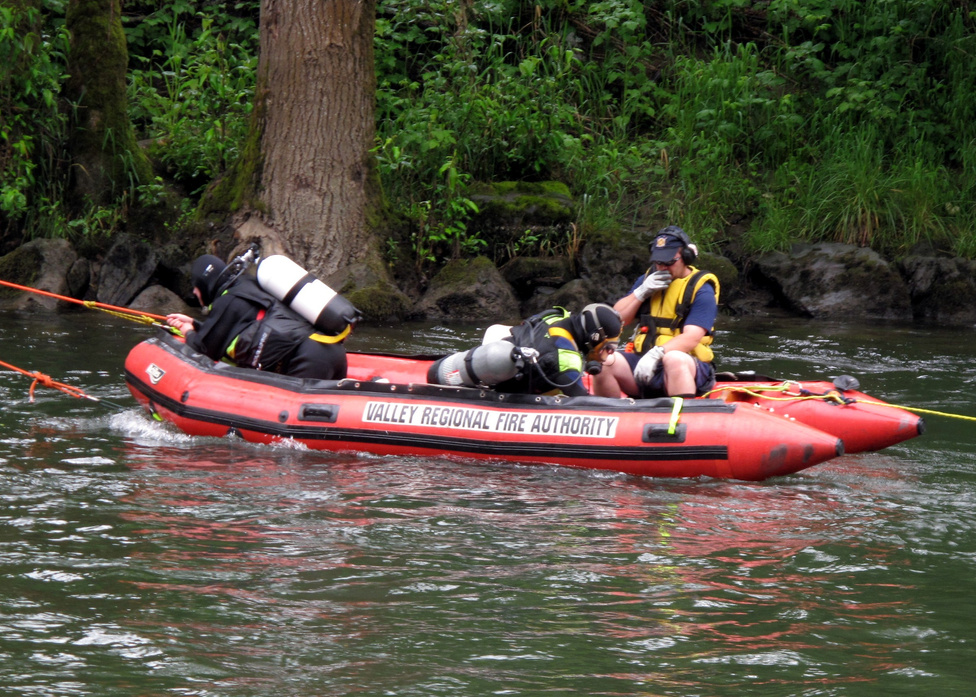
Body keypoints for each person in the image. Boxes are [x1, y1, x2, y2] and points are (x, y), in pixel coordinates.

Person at [166, 254, 350, 380]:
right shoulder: (248, 285)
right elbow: (228, 331)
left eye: (195, 285)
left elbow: (201, 350)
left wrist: (188, 332)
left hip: (307, 361)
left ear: (204, 284)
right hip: (332, 352)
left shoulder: (228, 301)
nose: (194, 291)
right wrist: (196, 325)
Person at [592, 226, 720, 399]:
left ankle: (684, 416)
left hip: (686, 366)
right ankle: (614, 416)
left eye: (669, 262)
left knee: (674, 358)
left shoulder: (702, 289)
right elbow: (617, 319)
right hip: (644, 364)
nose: (662, 268)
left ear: (685, 257)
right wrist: (641, 292)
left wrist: (656, 353)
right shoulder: (647, 280)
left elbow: (692, 338)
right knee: (604, 361)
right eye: (658, 262)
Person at [428, 303, 622, 397]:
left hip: (505, 355)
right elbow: (583, 403)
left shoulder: (554, 316)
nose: (607, 355)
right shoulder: (566, 360)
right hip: (505, 393)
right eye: (607, 348)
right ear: (594, 337)